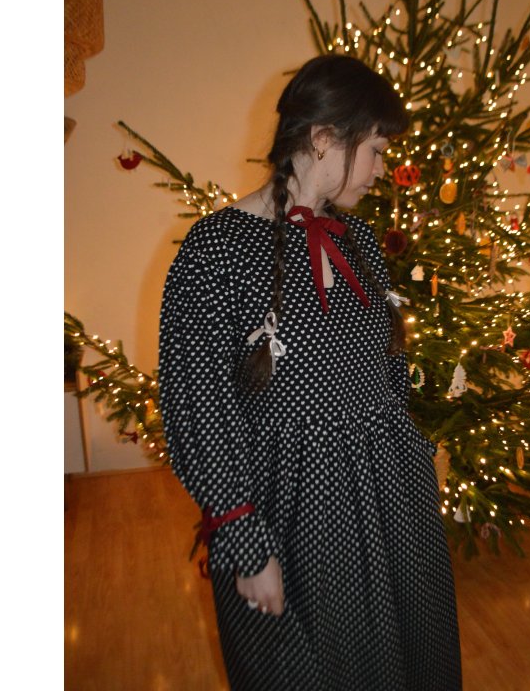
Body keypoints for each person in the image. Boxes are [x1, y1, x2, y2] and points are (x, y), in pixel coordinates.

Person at [158, 54, 462, 690]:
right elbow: (200, 405)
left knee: (413, 662)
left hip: (394, 501)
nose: (381, 170)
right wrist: (243, 539)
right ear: (324, 138)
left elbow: (386, 369)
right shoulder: (217, 250)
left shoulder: (360, 241)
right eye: (376, 150)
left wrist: (409, 451)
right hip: (299, 513)